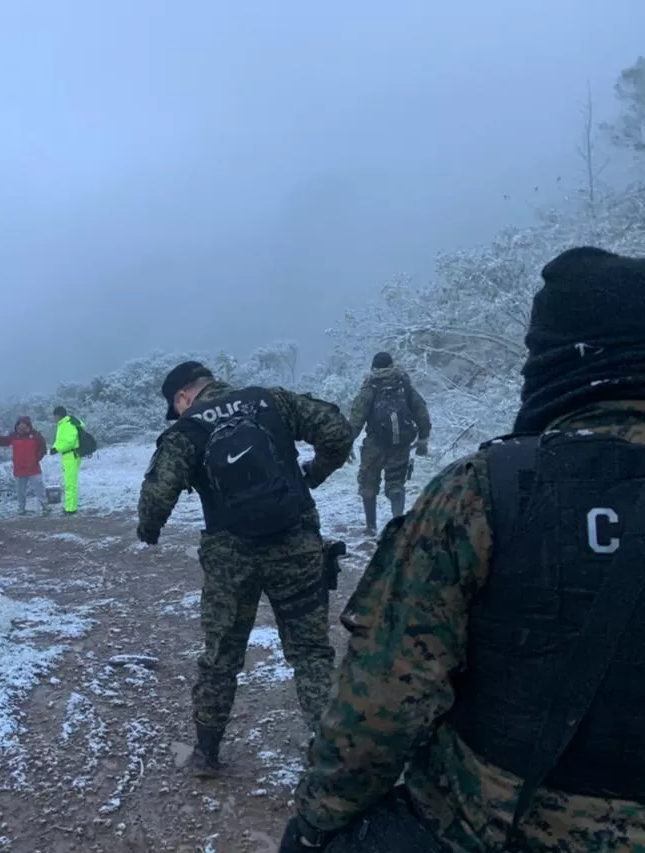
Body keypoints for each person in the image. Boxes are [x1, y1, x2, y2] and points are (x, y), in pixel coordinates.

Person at [281, 246, 645, 853]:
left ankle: (382, 516)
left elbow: (384, 701)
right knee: (392, 485)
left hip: (489, 831)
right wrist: (422, 434)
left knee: (379, 488)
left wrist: (316, 825)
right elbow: (420, 410)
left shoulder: (485, 489)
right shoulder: (438, 428)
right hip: (400, 450)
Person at [136, 361, 353, 777]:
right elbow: (337, 433)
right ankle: (331, 758)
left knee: (221, 657)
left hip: (230, 559)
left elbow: (157, 495)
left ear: (183, 396)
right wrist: (315, 473)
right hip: (296, 544)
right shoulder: (270, 401)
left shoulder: (187, 429)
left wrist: (149, 529)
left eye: (176, 405)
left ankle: (206, 755)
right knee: (310, 652)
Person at [349, 352, 432, 535]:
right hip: (400, 446)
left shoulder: (370, 387)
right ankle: (397, 526)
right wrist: (423, 438)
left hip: (374, 446)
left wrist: (346, 443)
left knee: (368, 484)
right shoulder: (403, 385)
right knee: (396, 485)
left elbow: (356, 418)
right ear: (392, 365)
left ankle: (371, 527)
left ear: (373, 368)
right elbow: (421, 411)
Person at [0, 415, 50, 515]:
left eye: (24, 426)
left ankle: (45, 505)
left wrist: (37, 459)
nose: (22, 428)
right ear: (17, 426)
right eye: (20, 426)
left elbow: (43, 448)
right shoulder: (14, 436)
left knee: (39, 486)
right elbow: (4, 441)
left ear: (28, 426)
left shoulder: (36, 435)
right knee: (20, 490)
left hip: (33, 467)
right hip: (19, 468)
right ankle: (21, 507)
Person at [50, 406, 83, 515]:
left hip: (70, 456)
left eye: (54, 416)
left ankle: (70, 509)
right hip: (69, 456)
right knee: (70, 482)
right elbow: (61, 440)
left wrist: (57, 449)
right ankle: (70, 507)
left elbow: (69, 441)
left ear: (58, 415)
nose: (53, 418)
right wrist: (55, 447)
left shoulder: (67, 424)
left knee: (70, 483)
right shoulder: (65, 423)